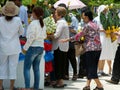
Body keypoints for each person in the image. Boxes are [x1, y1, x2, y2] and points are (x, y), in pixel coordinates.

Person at [60, 10, 104, 90]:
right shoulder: (95, 25)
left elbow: (79, 35)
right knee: (92, 66)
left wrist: (68, 39)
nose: (82, 18)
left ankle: (99, 85)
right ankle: (87, 85)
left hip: (90, 49)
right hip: (98, 48)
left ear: (87, 17)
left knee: (91, 67)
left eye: (83, 16)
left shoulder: (87, 26)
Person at [0, 1, 24, 90]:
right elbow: (22, 32)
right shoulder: (17, 20)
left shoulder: (0, 20)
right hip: (14, 47)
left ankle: (0, 86)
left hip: (2, 47)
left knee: (2, 66)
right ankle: (11, 87)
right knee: (13, 67)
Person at [22, 7, 46, 89]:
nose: (31, 14)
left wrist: (25, 48)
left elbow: (31, 38)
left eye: (32, 12)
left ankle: (27, 87)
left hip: (33, 47)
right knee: (36, 69)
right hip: (40, 47)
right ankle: (36, 87)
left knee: (26, 68)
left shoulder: (33, 24)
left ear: (34, 13)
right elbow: (45, 36)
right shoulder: (42, 23)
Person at [47, 6, 69, 88]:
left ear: (59, 14)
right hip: (62, 46)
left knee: (59, 65)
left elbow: (56, 35)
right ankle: (60, 81)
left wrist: (48, 35)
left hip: (59, 47)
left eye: (56, 12)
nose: (54, 14)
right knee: (61, 64)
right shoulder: (63, 22)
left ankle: (60, 82)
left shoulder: (61, 23)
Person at [94, 5, 114, 76]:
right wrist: (104, 30)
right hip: (100, 36)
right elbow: (95, 28)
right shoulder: (97, 19)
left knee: (105, 53)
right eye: (104, 10)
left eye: (106, 10)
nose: (105, 12)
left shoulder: (107, 18)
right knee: (100, 53)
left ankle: (102, 70)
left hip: (107, 37)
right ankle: (99, 70)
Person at [64, 13, 78, 81]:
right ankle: (66, 74)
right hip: (63, 42)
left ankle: (75, 73)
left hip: (70, 41)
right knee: (65, 58)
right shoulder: (60, 19)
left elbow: (76, 31)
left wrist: (69, 28)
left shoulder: (73, 18)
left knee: (72, 58)